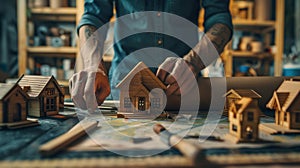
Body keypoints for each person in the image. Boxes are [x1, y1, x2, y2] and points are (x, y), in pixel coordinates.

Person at [70, 0, 233, 111]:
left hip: (182, 85)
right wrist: (93, 65)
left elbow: (219, 18)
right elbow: (94, 16)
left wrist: (193, 62)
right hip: (125, 85)